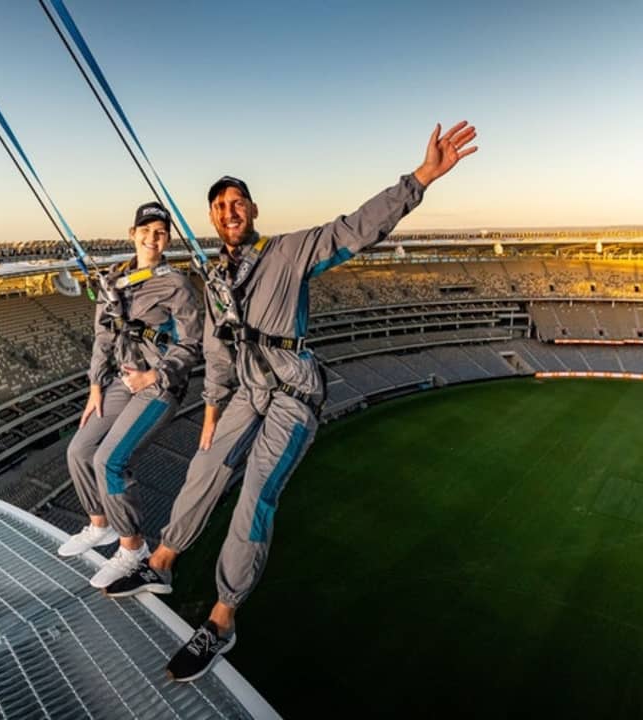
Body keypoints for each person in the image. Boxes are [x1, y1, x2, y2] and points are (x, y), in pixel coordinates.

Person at [103, 121, 478, 681]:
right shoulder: (215, 277)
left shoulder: (289, 251)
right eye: (219, 206)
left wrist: (421, 177)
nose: (229, 211)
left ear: (253, 210)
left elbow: (357, 227)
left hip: (293, 394)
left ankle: (221, 621)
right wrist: (212, 409)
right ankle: (160, 562)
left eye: (237, 202)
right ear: (213, 219)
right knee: (204, 469)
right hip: (249, 392)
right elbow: (218, 348)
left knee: (255, 495)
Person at [57, 201, 202, 589]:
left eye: (161, 232)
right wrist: (95, 386)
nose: (153, 238)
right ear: (133, 234)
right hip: (122, 381)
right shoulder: (114, 279)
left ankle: (133, 548)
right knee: (79, 450)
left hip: (159, 385)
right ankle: (100, 524)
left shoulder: (176, 284)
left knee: (109, 461)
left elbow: (192, 344)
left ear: (167, 239)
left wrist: (156, 374)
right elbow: (103, 337)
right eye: (146, 230)